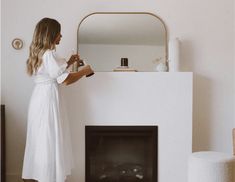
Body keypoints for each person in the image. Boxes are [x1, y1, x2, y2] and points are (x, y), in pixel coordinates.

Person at [22, 17, 94, 182]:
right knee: (49, 138)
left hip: (39, 98)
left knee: (42, 139)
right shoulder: (49, 54)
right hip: (48, 100)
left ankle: (43, 176)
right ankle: (49, 177)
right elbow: (65, 80)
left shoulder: (40, 53)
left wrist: (69, 62)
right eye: (59, 33)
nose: (61, 36)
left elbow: (52, 73)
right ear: (51, 34)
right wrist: (85, 71)